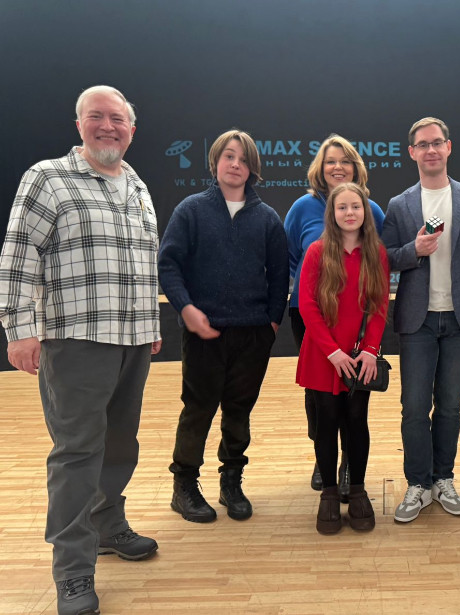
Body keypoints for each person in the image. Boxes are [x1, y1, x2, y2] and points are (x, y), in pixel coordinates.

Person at [0, 85, 161, 615]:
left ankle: (108, 525)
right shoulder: (48, 178)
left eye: (118, 119)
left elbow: (143, 261)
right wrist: (19, 329)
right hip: (76, 340)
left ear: (131, 129)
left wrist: (150, 322)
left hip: (133, 340)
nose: (108, 126)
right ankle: (73, 571)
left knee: (120, 445)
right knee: (76, 454)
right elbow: (18, 256)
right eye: (97, 116)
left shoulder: (136, 185)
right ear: (79, 125)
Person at [158, 129, 289, 524]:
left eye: (244, 159)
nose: (236, 164)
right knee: (198, 409)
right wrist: (186, 309)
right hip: (204, 333)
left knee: (238, 411)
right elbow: (168, 264)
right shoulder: (191, 210)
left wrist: (270, 323)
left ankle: (231, 481)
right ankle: (184, 486)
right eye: (229, 156)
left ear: (253, 169)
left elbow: (279, 276)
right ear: (215, 162)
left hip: (252, 334)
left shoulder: (267, 218)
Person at [382, 117, 460, 523]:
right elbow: (385, 258)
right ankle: (417, 483)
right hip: (417, 321)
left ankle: (443, 479)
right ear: (411, 152)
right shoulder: (399, 205)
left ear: (448, 147)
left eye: (437, 143)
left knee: (449, 406)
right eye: (422, 144)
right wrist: (413, 250)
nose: (430, 150)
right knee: (415, 408)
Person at [285, 134, 385, 501]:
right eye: (330, 161)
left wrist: (370, 347)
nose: (337, 167)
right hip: (312, 318)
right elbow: (288, 255)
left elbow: (376, 273)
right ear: (320, 168)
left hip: (355, 326)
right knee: (321, 398)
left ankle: (348, 467)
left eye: (344, 161)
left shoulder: (372, 211)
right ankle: (324, 459)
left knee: (353, 405)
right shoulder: (303, 208)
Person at [295, 182, 390, 534]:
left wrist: (370, 351)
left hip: (359, 354)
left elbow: (379, 305)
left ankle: (359, 489)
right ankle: (330, 494)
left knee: (356, 420)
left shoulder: (376, 253)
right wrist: (332, 352)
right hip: (324, 354)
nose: (350, 212)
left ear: (365, 212)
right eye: (342, 207)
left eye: (356, 206)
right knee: (326, 422)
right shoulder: (317, 251)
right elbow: (307, 306)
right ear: (332, 214)